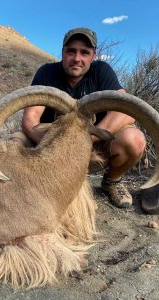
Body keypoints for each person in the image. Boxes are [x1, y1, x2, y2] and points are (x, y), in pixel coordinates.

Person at [12, 27, 146, 209]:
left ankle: (111, 182)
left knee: (134, 139)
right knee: (14, 143)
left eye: (84, 52)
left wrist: (85, 139)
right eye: (71, 51)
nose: (77, 58)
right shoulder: (47, 72)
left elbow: (126, 110)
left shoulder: (101, 71)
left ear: (93, 56)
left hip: (92, 146)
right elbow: (30, 118)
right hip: (50, 144)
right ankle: (16, 188)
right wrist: (54, 145)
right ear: (62, 53)